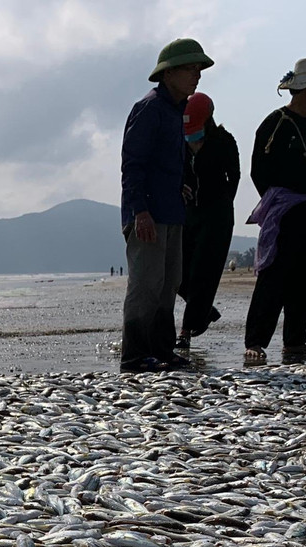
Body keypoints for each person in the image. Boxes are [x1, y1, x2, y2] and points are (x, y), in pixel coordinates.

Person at [119, 38, 214, 372]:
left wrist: (182, 186)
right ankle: (134, 356)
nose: (197, 76)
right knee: (146, 285)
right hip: (148, 214)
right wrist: (139, 211)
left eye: (199, 69)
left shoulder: (176, 112)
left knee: (168, 282)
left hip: (171, 211)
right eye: (190, 69)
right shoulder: (149, 108)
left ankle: (162, 351)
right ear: (169, 73)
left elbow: (167, 164)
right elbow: (133, 165)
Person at [243, 56, 306, 364]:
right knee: (274, 275)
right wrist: (276, 200)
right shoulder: (276, 122)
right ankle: (256, 342)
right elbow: (258, 170)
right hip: (284, 211)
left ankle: (295, 342)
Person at [176, 92, 239, 352]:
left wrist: (223, 204)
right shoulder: (177, 141)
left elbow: (234, 176)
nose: (193, 141)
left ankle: (186, 331)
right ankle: (203, 310)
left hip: (217, 214)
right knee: (177, 272)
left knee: (204, 273)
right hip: (188, 213)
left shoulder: (224, 141)